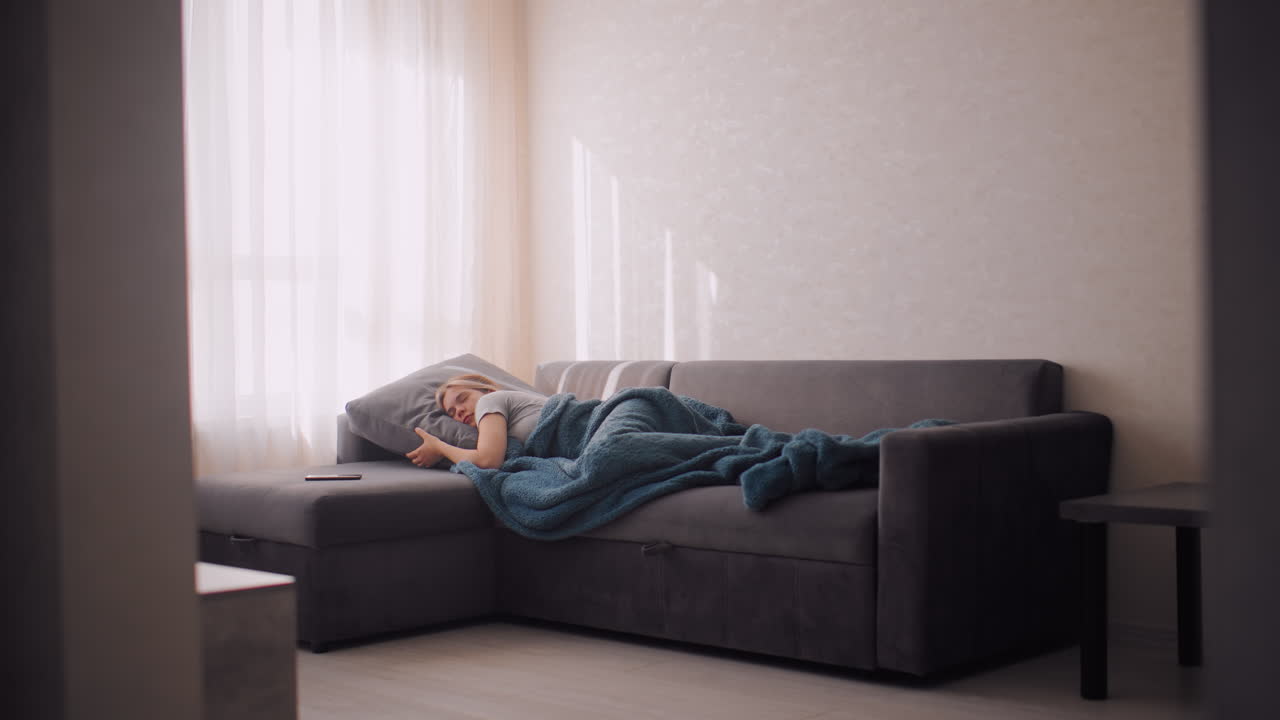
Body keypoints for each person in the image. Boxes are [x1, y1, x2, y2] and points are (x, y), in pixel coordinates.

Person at [405, 373, 547, 470]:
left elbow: (488, 461)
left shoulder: (489, 400)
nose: (459, 411)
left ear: (488, 391)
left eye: (463, 399)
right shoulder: (503, 431)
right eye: (452, 412)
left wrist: (438, 447)